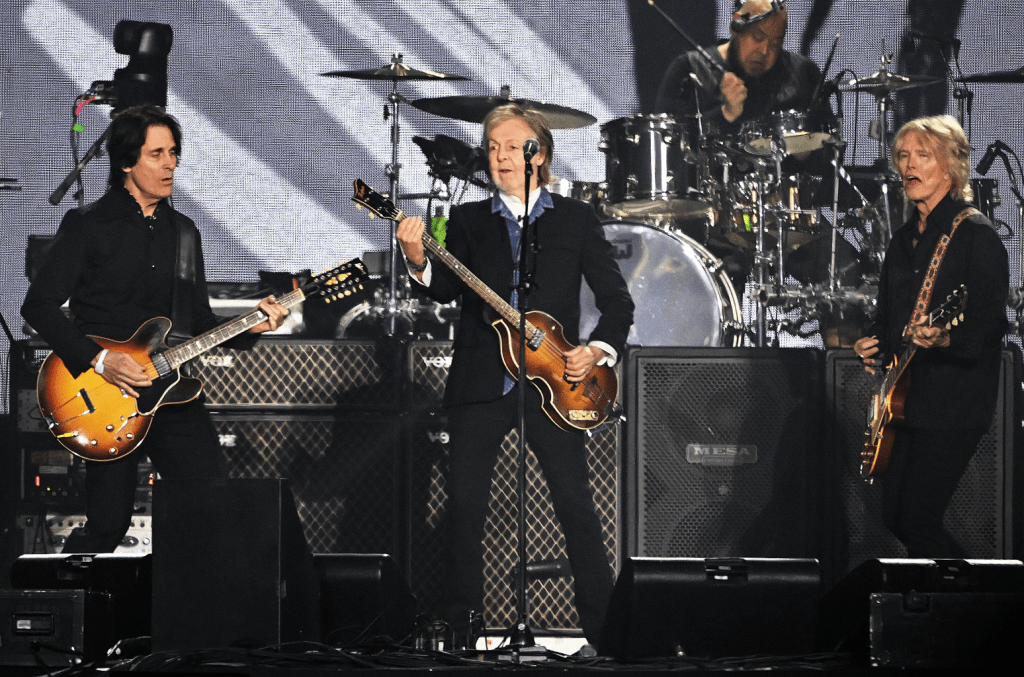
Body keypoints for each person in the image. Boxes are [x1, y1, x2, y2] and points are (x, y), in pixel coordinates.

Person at [396, 104, 634, 646]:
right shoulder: (469, 220)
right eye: (492, 147)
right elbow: (444, 288)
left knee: (576, 504)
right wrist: (417, 258)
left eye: (511, 146)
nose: (499, 156)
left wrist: (596, 350)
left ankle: (610, 636)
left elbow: (616, 302)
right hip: (482, 381)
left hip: (558, 383)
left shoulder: (575, 219)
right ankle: (462, 634)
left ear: (539, 153)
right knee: (464, 510)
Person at [22, 105, 288, 553]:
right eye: (157, 154)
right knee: (107, 527)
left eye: (174, 153)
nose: (170, 164)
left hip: (169, 392)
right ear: (127, 161)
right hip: (103, 399)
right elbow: (38, 305)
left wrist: (255, 325)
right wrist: (101, 359)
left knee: (212, 508)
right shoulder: (89, 225)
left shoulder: (184, 232)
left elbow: (198, 326)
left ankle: (195, 616)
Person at [853, 115, 1008, 558]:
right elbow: (888, 321)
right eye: (903, 156)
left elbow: (989, 324)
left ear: (952, 167)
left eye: (923, 155)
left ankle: (979, 604)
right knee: (895, 517)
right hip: (904, 401)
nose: (909, 165)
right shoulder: (902, 242)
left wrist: (944, 340)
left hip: (952, 404)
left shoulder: (975, 235)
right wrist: (872, 344)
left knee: (919, 519)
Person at [654, 0, 828, 138]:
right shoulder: (689, 69)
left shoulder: (803, 72)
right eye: (758, 37)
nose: (765, 51)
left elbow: (831, 149)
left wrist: (809, 152)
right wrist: (724, 114)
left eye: (776, 43)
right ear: (736, 27)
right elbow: (667, 142)